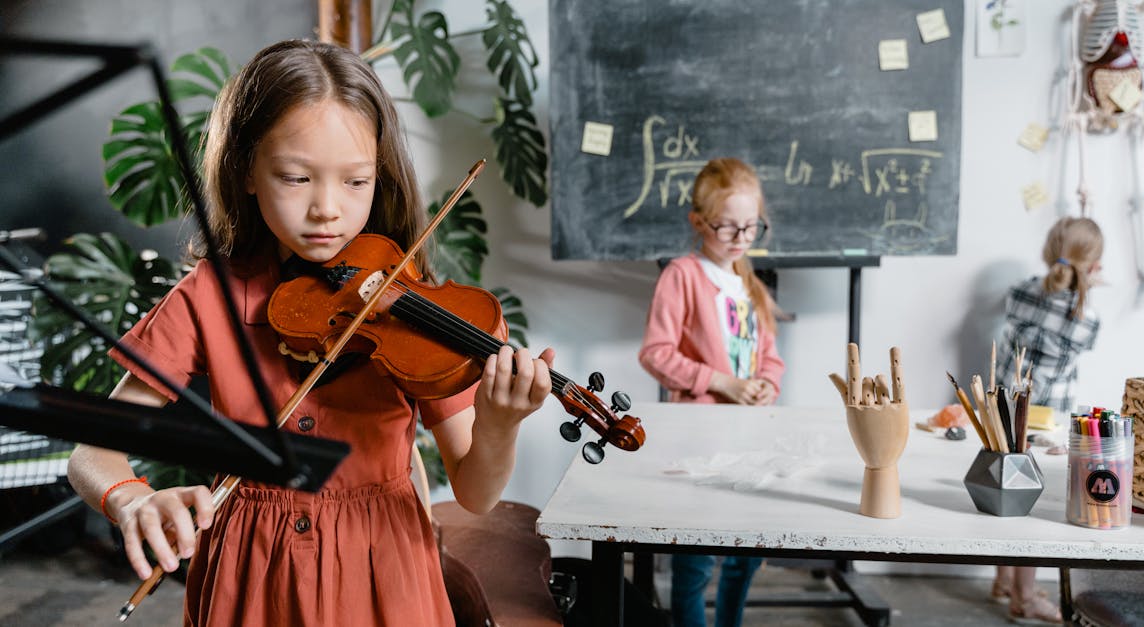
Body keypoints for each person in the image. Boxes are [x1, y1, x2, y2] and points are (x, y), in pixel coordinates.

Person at [66, 39, 554, 626]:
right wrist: (131, 499)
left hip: (384, 575)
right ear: (246, 171)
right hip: (251, 578)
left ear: (381, 178)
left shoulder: (410, 305)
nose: (327, 208)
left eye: (356, 182)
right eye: (296, 177)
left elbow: (476, 493)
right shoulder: (210, 296)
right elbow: (90, 450)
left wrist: (499, 425)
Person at [638, 157, 785, 627]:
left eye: (751, 226)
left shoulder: (749, 283)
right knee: (696, 560)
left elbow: (770, 357)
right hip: (700, 439)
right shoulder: (682, 275)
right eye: (727, 227)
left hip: (749, 441)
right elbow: (655, 354)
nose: (741, 238)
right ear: (699, 222)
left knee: (745, 555)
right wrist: (722, 382)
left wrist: (766, 385)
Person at [991, 216, 1104, 625]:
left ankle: (1004, 580)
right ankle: (1025, 597)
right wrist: (1086, 285)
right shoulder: (1085, 318)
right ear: (1093, 265)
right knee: (1031, 504)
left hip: (1002, 412)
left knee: (1005, 492)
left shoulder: (1019, 291)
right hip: (1044, 423)